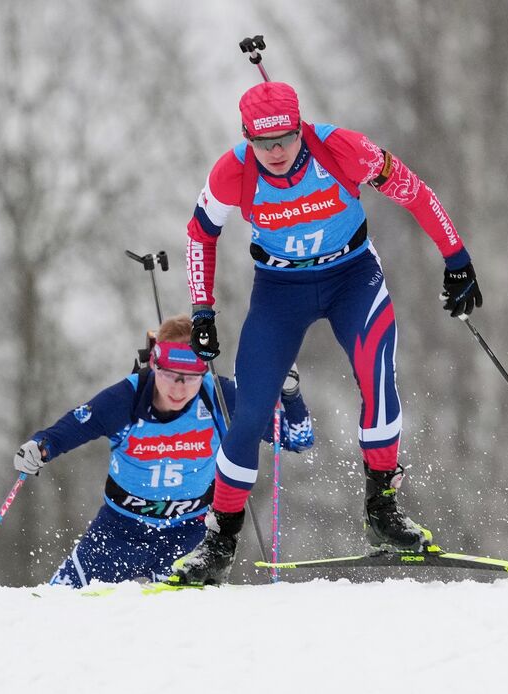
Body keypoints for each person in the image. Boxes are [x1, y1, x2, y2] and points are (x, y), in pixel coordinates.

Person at [169, 80, 480, 586]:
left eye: (284, 140)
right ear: (246, 137)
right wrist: (202, 311)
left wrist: (458, 261)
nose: (273, 152)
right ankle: (219, 542)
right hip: (279, 290)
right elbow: (200, 232)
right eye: (261, 142)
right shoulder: (233, 170)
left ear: (299, 128)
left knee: (378, 382)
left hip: (352, 278)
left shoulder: (344, 149)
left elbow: (415, 191)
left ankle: (382, 512)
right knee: (249, 414)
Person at [13, 315, 313, 587]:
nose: (180, 388)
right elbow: (75, 427)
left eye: (191, 378)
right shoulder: (128, 397)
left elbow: (297, 438)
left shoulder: (219, 398)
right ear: (155, 365)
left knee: (185, 630)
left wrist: (291, 394)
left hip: (189, 535)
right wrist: (41, 446)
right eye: (171, 375)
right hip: (119, 531)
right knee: (53, 607)